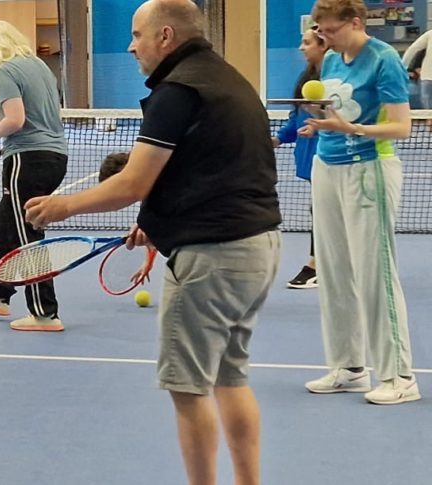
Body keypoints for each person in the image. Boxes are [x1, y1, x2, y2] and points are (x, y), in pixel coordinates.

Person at [24, 1, 280, 483]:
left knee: (188, 391)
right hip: (259, 246)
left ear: (165, 36)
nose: (130, 45)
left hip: (213, 257)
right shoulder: (228, 79)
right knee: (230, 378)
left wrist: (62, 206)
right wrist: (162, 222)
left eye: (137, 34)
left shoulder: (176, 92)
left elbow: (130, 184)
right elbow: (215, 169)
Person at [302, 0, 418, 405]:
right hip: (326, 166)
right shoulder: (332, 59)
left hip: (369, 168)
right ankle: (349, 367)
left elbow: (401, 127)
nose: (322, 37)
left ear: (354, 22)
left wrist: (348, 127)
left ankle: (400, 376)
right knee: (334, 271)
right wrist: (319, 119)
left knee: (374, 273)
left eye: (328, 29)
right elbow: (338, 110)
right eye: (319, 30)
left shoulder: (384, 60)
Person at [0, 20, 69, 332]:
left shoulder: (5, 71)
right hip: (54, 157)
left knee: (27, 236)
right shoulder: (39, 67)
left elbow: (16, 120)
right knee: (6, 226)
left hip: (28, 160)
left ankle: (45, 314)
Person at [272, 27, 327, 289]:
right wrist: (278, 138)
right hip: (308, 157)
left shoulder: (335, 78)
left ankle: (316, 265)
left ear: (324, 45)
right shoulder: (307, 78)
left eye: (306, 42)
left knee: (322, 212)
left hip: (330, 157)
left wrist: (320, 124)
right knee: (320, 211)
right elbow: (297, 118)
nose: (301, 47)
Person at [402, 29, 431, 109]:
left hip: (427, 77)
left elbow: (412, 49)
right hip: (427, 76)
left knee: (427, 112)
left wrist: (402, 67)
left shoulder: (430, 34)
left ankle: (429, 120)